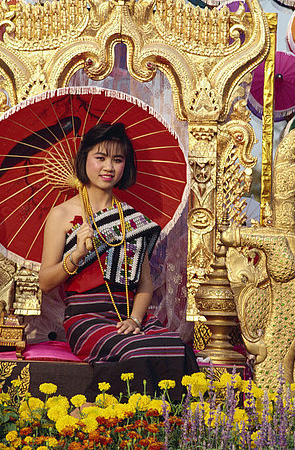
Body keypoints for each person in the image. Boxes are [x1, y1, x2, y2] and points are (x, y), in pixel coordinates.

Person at [39, 122, 198, 399]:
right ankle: (107, 415)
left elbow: (145, 286)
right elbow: (45, 282)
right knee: (135, 349)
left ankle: (172, 428)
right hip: (85, 319)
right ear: (84, 159)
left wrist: (136, 319)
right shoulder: (62, 215)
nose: (108, 167)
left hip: (129, 316)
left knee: (176, 346)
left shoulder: (131, 219)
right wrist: (75, 255)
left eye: (117, 159)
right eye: (100, 157)